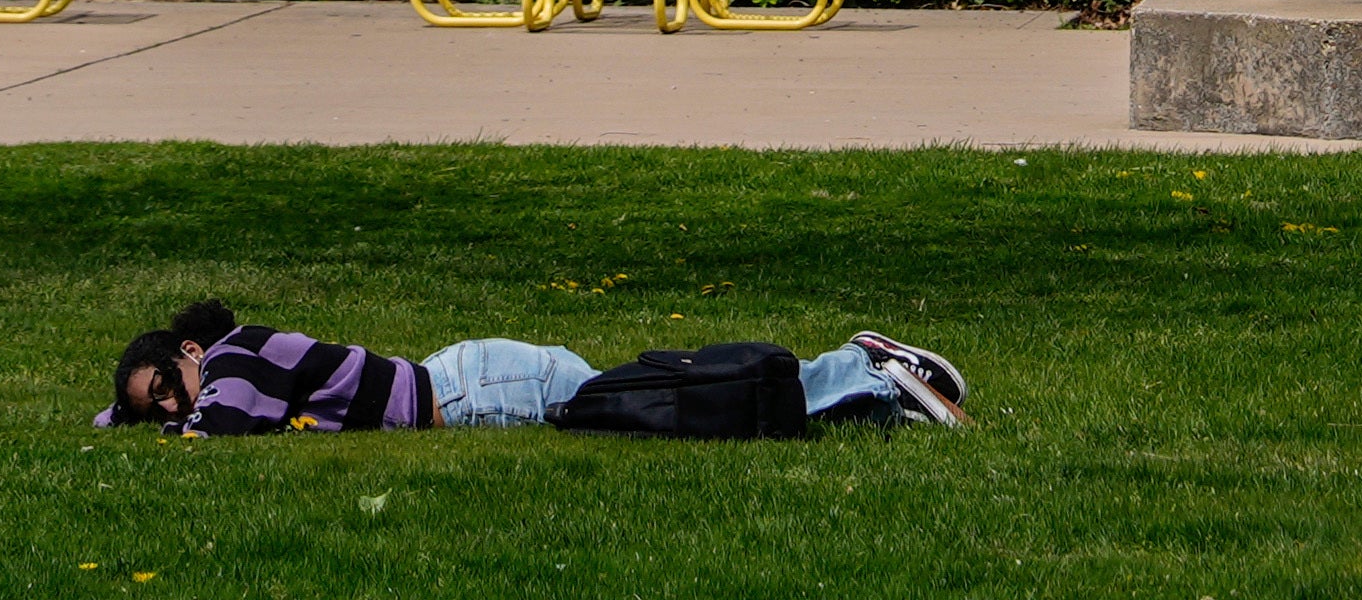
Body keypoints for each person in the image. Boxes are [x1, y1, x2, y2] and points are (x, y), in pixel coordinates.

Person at [103, 303, 966, 433]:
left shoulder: (238, 356)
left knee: (668, 408)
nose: (173, 406)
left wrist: (171, 423)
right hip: (474, 377)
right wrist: (124, 419)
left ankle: (860, 374)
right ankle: (863, 384)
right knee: (658, 404)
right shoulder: (241, 361)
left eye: (167, 390)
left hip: (476, 390)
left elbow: (226, 426)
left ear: (189, 353)